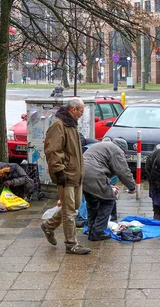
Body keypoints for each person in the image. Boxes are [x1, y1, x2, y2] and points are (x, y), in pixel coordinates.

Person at [41, 98, 90, 255]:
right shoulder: (59, 125)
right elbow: (52, 150)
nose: (82, 114)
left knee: (73, 206)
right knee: (69, 212)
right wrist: (59, 171)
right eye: (81, 111)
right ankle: (71, 244)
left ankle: (48, 226)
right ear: (73, 110)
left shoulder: (71, 124)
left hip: (75, 174)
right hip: (66, 174)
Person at [83, 140, 136, 241]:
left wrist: (109, 185)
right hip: (94, 174)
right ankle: (97, 232)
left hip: (81, 173)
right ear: (123, 150)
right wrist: (132, 187)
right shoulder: (116, 150)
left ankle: (91, 229)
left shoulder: (101, 146)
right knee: (108, 201)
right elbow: (123, 171)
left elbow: (99, 164)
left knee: (92, 202)